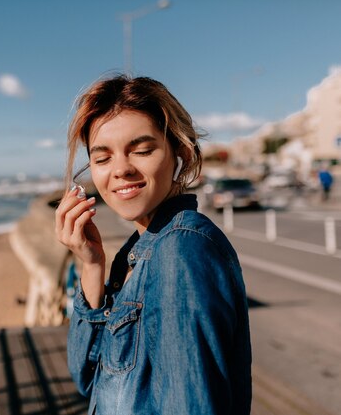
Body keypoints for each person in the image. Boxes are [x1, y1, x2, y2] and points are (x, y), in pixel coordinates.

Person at [55, 75, 251, 414]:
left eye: (142, 150)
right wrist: (91, 264)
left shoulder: (180, 251)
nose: (120, 170)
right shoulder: (139, 252)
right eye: (102, 159)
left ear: (182, 155)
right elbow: (89, 379)